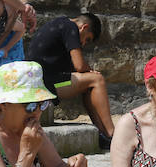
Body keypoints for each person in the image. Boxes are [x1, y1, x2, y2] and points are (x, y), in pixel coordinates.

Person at [27, 13, 114, 150]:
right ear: (83, 27)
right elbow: (79, 66)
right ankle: (112, 134)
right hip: (46, 85)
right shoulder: (71, 27)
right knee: (97, 79)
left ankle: (103, 134)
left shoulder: (59, 23)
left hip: (40, 79)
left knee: (89, 84)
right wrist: (91, 71)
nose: (83, 43)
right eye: (87, 39)